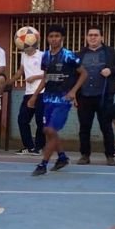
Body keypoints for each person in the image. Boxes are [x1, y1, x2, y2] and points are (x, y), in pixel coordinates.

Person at [30, 24, 87, 175]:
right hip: (48, 97)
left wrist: (73, 91)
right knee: (48, 131)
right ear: (47, 38)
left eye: (57, 36)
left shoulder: (69, 55)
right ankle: (62, 157)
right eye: (51, 36)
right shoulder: (46, 56)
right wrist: (35, 95)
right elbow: (45, 77)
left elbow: (84, 73)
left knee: (51, 129)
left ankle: (43, 164)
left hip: (63, 98)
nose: (54, 39)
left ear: (62, 38)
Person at [76, 25, 115, 166]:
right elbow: (73, 75)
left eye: (96, 35)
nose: (93, 37)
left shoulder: (110, 52)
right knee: (84, 127)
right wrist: (73, 94)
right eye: (90, 35)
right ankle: (85, 155)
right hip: (84, 96)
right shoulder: (80, 54)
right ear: (86, 37)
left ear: (102, 37)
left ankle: (110, 156)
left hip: (104, 97)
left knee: (106, 127)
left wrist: (111, 70)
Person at [9, 43, 45, 155]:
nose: (26, 50)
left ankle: (39, 147)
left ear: (35, 45)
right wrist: (9, 82)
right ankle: (29, 146)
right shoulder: (24, 56)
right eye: (24, 48)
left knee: (41, 121)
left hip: (42, 91)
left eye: (28, 47)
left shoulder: (43, 55)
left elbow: (48, 74)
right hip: (28, 92)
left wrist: (35, 77)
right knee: (22, 120)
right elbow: (21, 70)